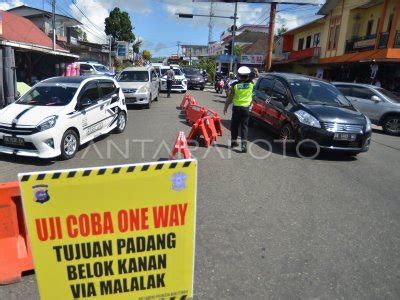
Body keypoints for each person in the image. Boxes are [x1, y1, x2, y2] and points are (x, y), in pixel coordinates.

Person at [223, 66, 254, 153]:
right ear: (248, 75)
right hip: (246, 108)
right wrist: (251, 103)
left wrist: (225, 106)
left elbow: (230, 97)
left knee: (234, 126)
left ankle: (234, 143)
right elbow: (254, 96)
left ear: (239, 75)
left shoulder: (235, 85)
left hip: (237, 108)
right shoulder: (251, 84)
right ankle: (244, 145)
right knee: (244, 127)